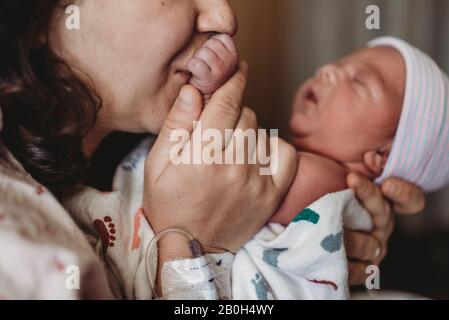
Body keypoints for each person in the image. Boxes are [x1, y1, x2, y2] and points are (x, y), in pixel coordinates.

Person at [0, 0, 425, 299]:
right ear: (35, 13)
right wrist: (194, 248)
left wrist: (350, 219)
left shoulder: (136, 141)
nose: (225, 17)